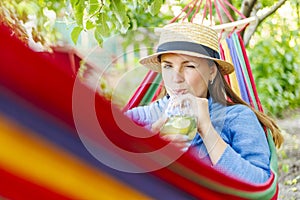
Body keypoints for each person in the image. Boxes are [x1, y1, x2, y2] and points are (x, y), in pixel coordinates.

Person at [125, 22, 283, 184]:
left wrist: (207, 130)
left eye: (189, 66)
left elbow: (260, 185)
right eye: (168, 66)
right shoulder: (142, 116)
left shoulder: (237, 117)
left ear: (212, 72)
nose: (176, 78)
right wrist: (153, 133)